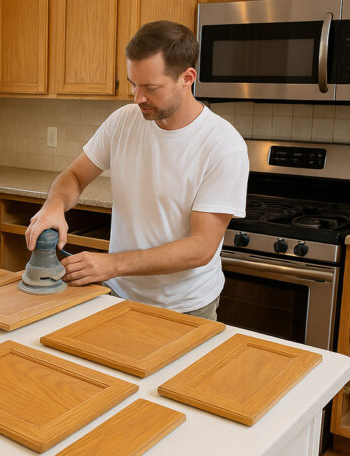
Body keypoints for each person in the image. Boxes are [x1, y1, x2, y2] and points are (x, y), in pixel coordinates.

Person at [25, 20, 248, 320]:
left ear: (187, 77)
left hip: (185, 308)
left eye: (150, 87)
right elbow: (75, 177)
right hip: (117, 296)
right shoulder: (123, 121)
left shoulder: (223, 145)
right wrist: (54, 205)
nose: (137, 97)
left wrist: (113, 264)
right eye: (133, 83)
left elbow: (201, 248)